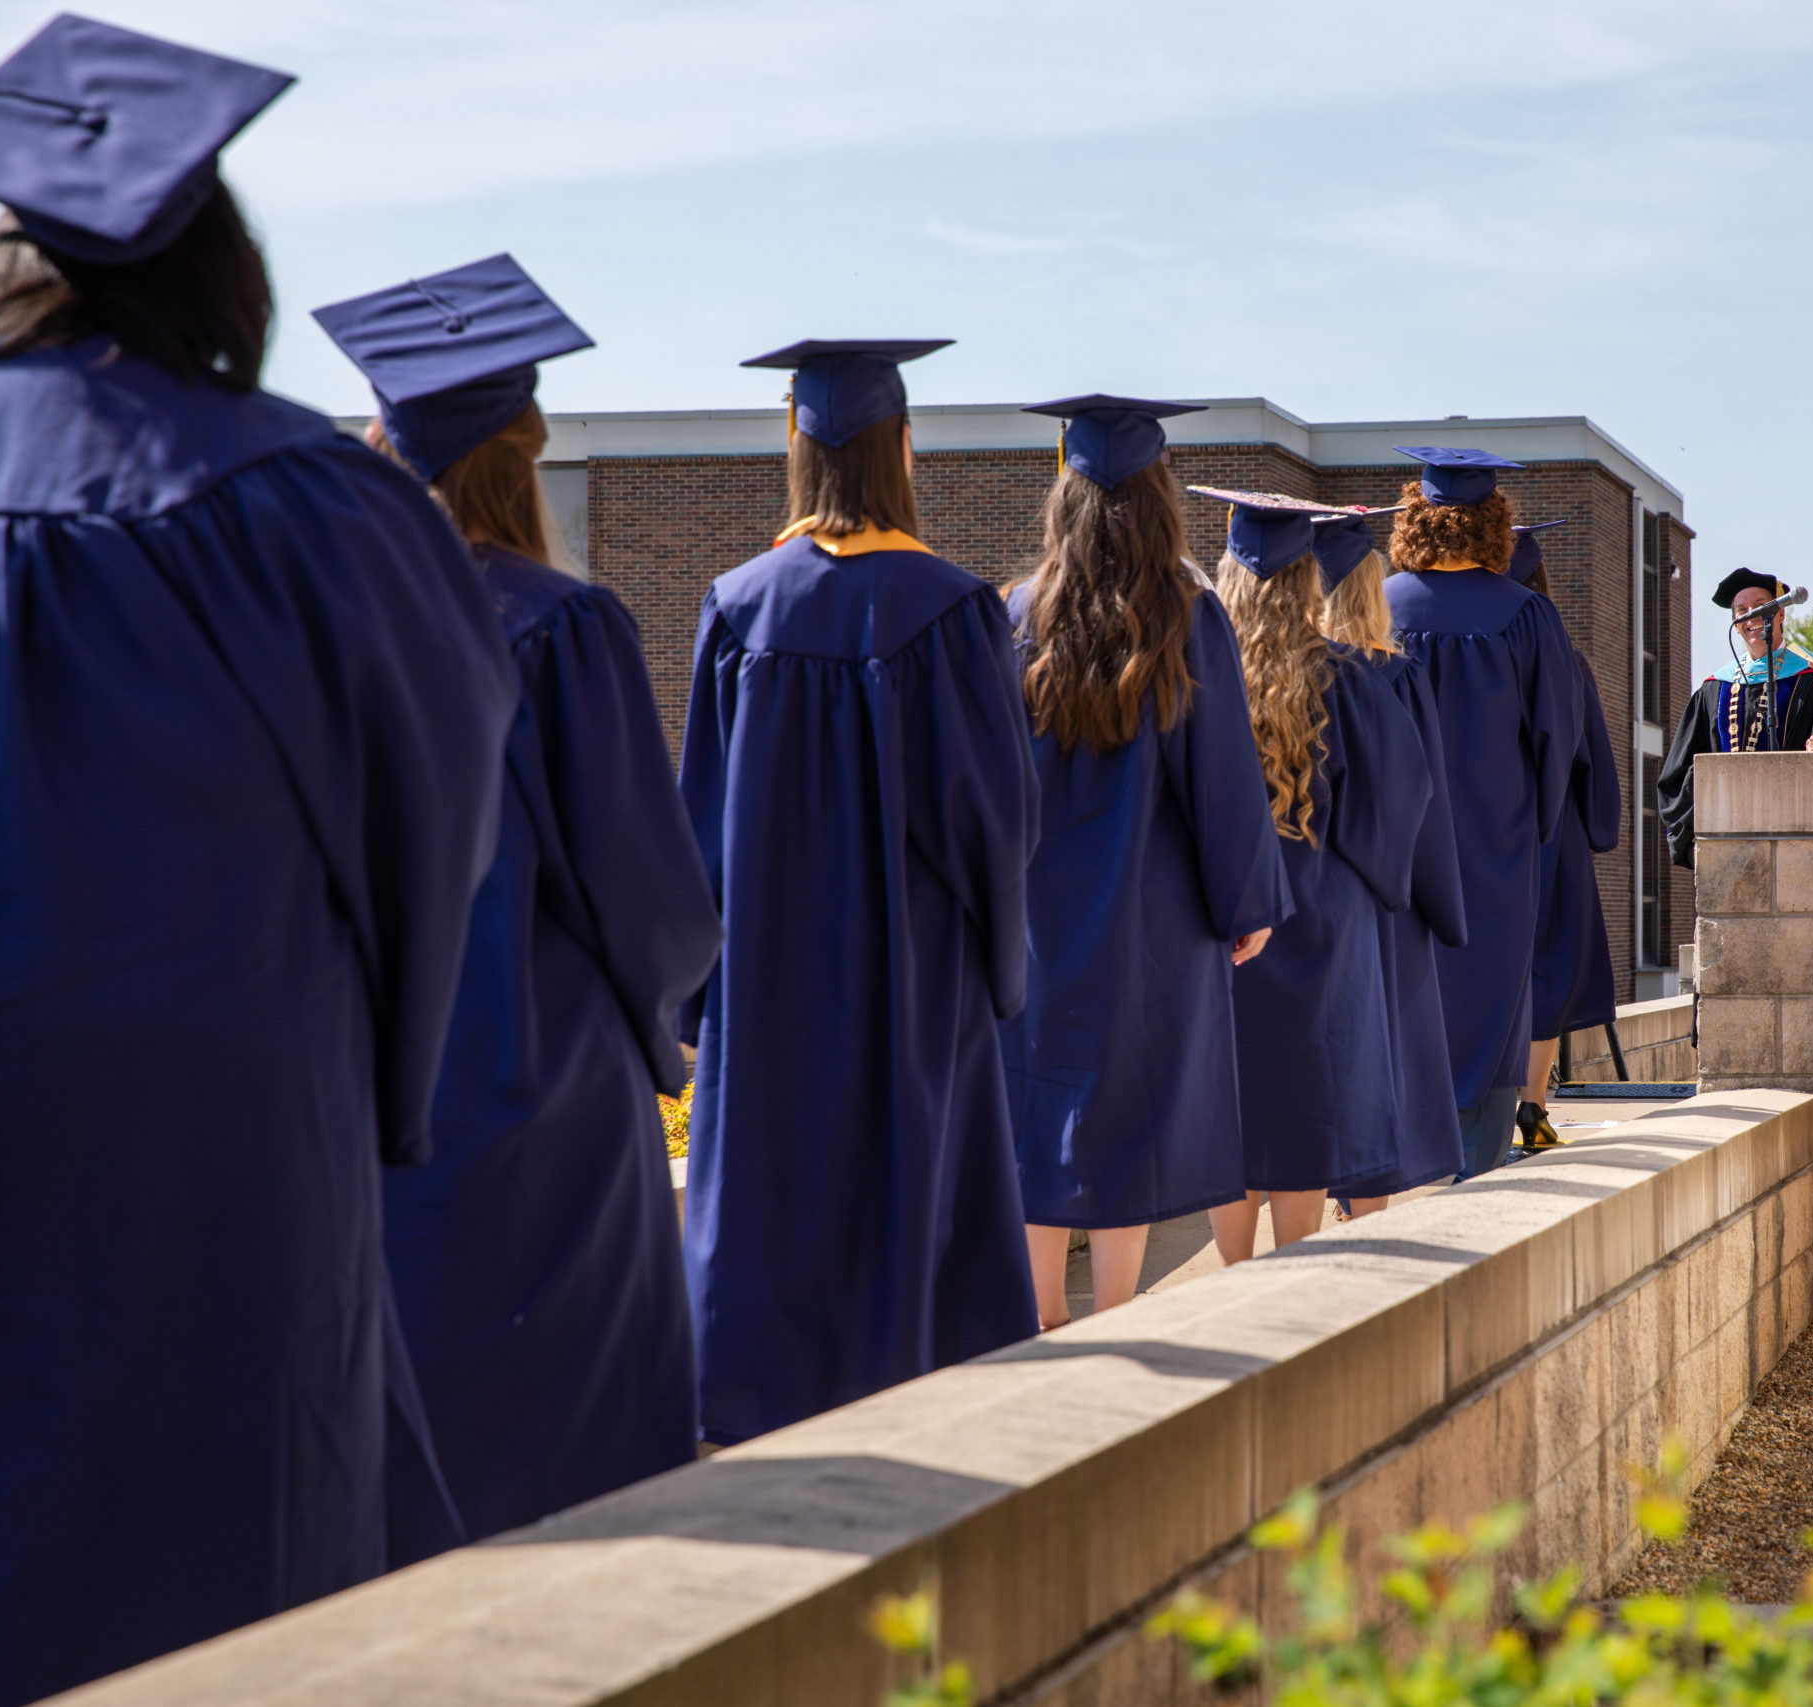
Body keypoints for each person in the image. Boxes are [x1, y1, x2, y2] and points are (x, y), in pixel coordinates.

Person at [0, 19, 516, 1701]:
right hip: (225, 1133)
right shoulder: (319, 506)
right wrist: (379, 1075)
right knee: (235, 1570)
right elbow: (433, 820)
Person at [315, 255, 723, 1538]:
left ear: (387, 446)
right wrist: (668, 1022)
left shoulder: (318, 617)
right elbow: (647, 894)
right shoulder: (562, 625)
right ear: (524, 452)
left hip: (351, 1089)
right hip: (537, 1083)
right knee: (568, 1461)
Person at [680, 337, 1041, 1444]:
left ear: (795, 445)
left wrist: (699, 1000)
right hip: (912, 971)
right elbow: (993, 816)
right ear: (903, 451)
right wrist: (999, 966)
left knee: (770, 1187)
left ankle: (754, 1401)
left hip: (767, 970)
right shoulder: (947, 607)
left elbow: (696, 815)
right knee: (909, 1179)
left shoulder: (738, 608)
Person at [1003, 397, 1291, 1321]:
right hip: (1147, 916)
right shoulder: (1187, 613)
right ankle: (1117, 1309)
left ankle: (1040, 1313)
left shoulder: (1019, 613)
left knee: (1037, 1109)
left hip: (1038, 914)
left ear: (1065, 499)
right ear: (1161, 495)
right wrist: (1246, 902)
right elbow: (1223, 777)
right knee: (1126, 1115)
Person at [1206, 494, 1431, 1257]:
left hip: (1229, 920)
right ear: (1309, 581)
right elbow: (1401, 798)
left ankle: (1234, 1273)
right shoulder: (1350, 677)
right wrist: (1373, 877)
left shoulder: (1201, 677)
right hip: (1326, 923)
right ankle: (1293, 1270)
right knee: (1307, 1098)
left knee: (1234, 1106)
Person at [1382, 447, 1581, 1179]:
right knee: (1492, 996)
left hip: (1397, 853)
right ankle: (1477, 1161)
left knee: (1406, 994)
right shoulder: (1527, 616)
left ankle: (1392, 1162)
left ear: (1415, 518)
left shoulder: (1380, 606)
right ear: (1495, 522)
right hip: (1498, 853)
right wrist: (1531, 829)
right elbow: (1556, 741)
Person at [1315, 511, 1467, 1212]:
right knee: (1369, 1068)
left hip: (1297, 895)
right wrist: (1440, 902)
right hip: (1387, 897)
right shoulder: (1394, 675)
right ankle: (1359, 1212)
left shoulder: (1275, 670)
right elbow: (1423, 798)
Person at [1506, 520, 1620, 1150]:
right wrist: (1596, 826)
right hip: (1554, 837)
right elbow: (1595, 764)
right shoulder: (1568, 662)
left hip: (1483, 836)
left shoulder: (1461, 649)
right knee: (1547, 969)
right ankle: (1533, 1106)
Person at [1659, 567, 1813, 867]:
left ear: (1780, 615)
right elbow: (1681, 771)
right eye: (1742, 611)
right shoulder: (1715, 688)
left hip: (1797, 838)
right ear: (1735, 623)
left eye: (1761, 607)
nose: (1752, 616)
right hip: (1729, 841)